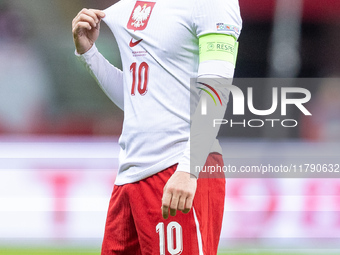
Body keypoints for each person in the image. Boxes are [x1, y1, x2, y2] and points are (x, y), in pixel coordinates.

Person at [72, 0, 242, 254]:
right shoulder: (129, 7)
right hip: (130, 177)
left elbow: (216, 91)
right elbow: (136, 97)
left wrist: (189, 169)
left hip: (179, 167)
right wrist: (89, 54)